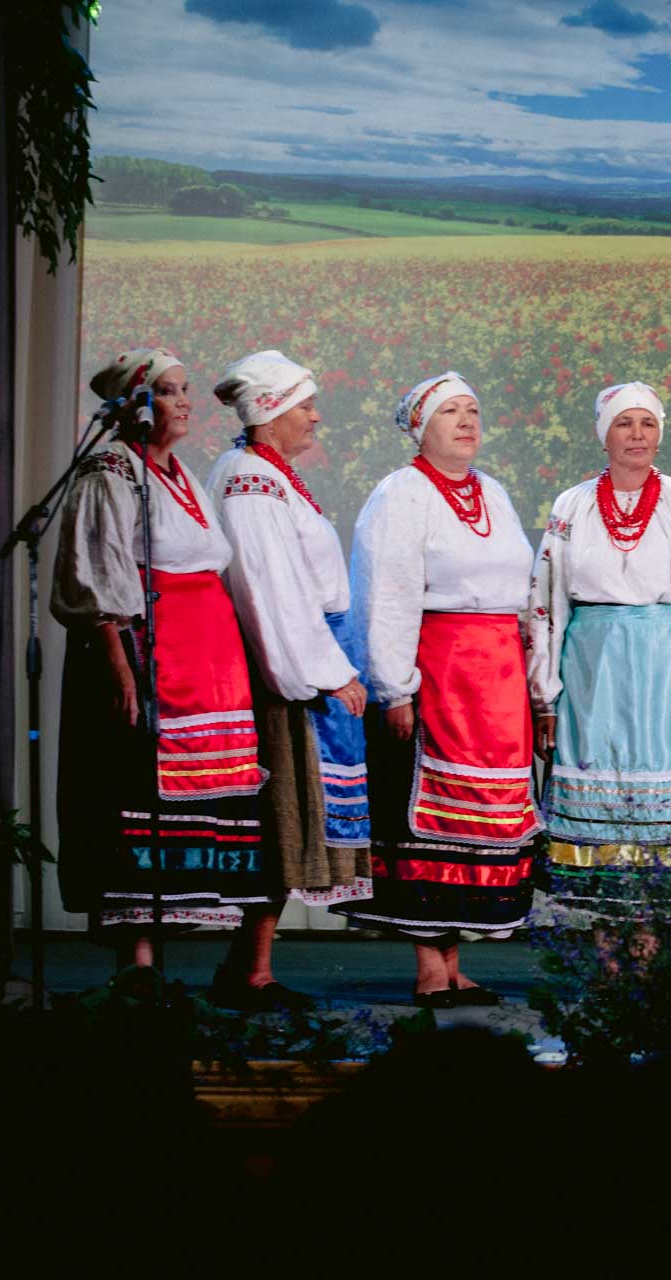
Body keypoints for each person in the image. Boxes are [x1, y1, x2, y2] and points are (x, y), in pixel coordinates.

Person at [51, 347, 273, 969]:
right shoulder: (111, 471)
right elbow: (101, 577)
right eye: (171, 391)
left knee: (202, 811)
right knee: (137, 795)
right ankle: (139, 962)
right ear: (134, 404)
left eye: (184, 389)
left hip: (206, 670)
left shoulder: (180, 473)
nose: (185, 401)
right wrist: (121, 669)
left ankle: (179, 951)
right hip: (150, 660)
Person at [337, 372, 539, 1007]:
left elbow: (522, 591)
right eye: (450, 411)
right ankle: (430, 963)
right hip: (439, 672)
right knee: (426, 821)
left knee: (483, 822)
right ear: (421, 428)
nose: (466, 421)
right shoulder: (402, 494)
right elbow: (387, 594)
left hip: (498, 683)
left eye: (473, 410)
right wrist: (393, 687)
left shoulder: (495, 494)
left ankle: (456, 963)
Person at [526, 382, 671, 909]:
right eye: (624, 423)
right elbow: (547, 606)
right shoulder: (572, 505)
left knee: (659, 804)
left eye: (647, 423)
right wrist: (544, 698)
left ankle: (651, 952)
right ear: (605, 436)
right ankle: (607, 957)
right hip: (591, 669)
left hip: (664, 666)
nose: (637, 434)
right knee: (600, 799)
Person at [207, 352, 373, 1007]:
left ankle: (249, 966)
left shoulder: (272, 475)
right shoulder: (249, 480)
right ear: (271, 413)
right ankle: (250, 972)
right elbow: (269, 591)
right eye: (303, 405)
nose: (314, 415)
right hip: (279, 675)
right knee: (277, 821)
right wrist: (324, 674)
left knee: (287, 823)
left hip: (300, 662)